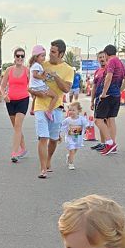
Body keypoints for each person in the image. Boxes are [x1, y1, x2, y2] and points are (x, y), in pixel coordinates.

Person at [32, 39, 75, 179]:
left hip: (56, 107)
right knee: (42, 137)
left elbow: (66, 89)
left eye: (53, 52)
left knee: (53, 138)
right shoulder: (41, 64)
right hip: (40, 106)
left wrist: (55, 75)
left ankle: (48, 159)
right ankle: (43, 168)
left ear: (61, 54)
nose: (50, 54)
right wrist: (37, 95)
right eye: (49, 51)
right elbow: (32, 83)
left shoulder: (68, 70)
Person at [93, 45, 125, 154]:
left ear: (107, 54)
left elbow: (108, 77)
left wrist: (103, 93)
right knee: (110, 119)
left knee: (98, 120)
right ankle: (112, 145)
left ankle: (109, 143)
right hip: (115, 95)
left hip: (107, 95)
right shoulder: (120, 63)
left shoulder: (111, 61)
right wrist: (119, 90)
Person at [0, 46, 29, 163]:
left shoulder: (27, 71)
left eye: (22, 56)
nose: (20, 58)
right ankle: (23, 148)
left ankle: (14, 153)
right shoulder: (9, 70)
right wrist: (4, 95)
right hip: (10, 101)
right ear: (14, 57)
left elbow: (32, 86)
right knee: (16, 127)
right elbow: (2, 86)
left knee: (17, 126)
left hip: (23, 99)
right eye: (18, 56)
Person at [61, 101, 88, 171]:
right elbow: (62, 126)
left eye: (73, 110)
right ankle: (71, 163)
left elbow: (86, 124)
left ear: (78, 111)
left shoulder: (81, 119)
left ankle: (69, 156)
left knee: (75, 149)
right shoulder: (67, 120)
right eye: (70, 110)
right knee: (72, 149)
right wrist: (60, 132)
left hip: (78, 138)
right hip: (70, 138)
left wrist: (87, 126)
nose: (71, 112)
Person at [28, 45, 51, 117]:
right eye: (42, 56)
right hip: (39, 86)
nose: (44, 58)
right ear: (36, 56)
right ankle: (49, 111)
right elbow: (35, 75)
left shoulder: (36, 65)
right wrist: (42, 77)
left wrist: (44, 75)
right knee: (55, 96)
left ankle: (32, 109)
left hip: (36, 86)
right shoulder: (36, 65)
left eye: (45, 56)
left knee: (36, 97)